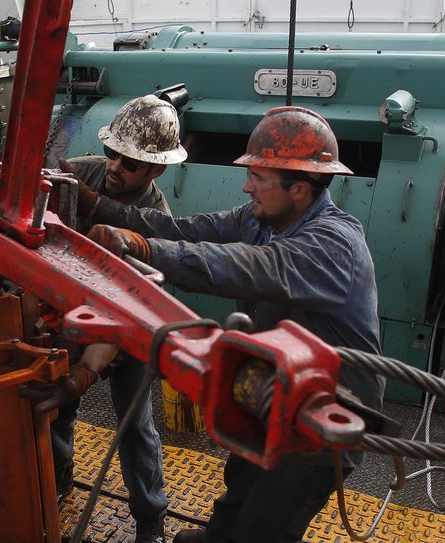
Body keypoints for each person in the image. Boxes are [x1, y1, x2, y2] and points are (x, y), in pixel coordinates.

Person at [75, 106, 385, 543]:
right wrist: (101, 208)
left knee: (266, 524)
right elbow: (185, 230)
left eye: (258, 179)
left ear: (298, 189)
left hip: (321, 416)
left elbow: (246, 266)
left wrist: (145, 249)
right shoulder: (258, 220)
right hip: (270, 390)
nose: (246, 187)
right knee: (238, 487)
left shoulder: (334, 244)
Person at [41, 94, 186, 543]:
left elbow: (134, 313)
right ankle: (59, 478)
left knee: (134, 426)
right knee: (57, 410)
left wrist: (87, 372)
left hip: (128, 327)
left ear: (156, 170)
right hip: (68, 318)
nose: (115, 167)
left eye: (130, 162)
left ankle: (150, 520)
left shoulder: (155, 221)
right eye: (112, 153)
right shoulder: (79, 174)